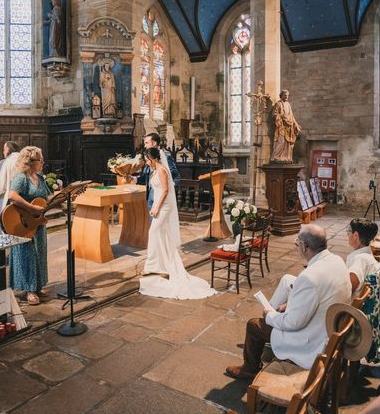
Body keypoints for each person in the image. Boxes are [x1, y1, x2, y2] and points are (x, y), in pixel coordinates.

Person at [225, 225, 351, 379]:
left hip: (312, 339)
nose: (297, 248)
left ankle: (249, 370)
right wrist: (291, 304)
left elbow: (293, 323)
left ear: (305, 247)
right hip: (329, 325)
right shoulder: (336, 260)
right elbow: (316, 299)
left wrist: (269, 315)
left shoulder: (309, 277)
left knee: (254, 325)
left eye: (298, 244)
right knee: (284, 293)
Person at [139, 147, 216, 300]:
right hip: (159, 205)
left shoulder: (161, 170)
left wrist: (157, 207)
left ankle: (153, 266)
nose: (146, 162)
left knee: (153, 232)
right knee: (162, 235)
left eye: (147, 160)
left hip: (164, 206)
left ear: (153, 159)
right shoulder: (155, 170)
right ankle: (162, 264)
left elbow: (166, 191)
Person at [7, 146, 50, 305]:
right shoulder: (21, 177)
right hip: (24, 223)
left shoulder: (39, 177)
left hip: (37, 222)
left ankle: (37, 286)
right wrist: (31, 208)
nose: (43, 163)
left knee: (39, 253)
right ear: (30, 162)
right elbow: (13, 196)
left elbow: (46, 197)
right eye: (40, 160)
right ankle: (28, 290)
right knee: (27, 255)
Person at [345, 218, 380, 363]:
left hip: (358, 316)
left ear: (356, 235)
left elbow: (348, 288)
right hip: (375, 318)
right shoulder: (369, 256)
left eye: (348, 232)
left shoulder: (359, 259)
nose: (348, 235)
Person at [137, 132, 180, 212]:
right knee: (151, 221)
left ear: (154, 143)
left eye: (147, 143)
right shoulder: (148, 156)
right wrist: (134, 179)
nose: (145, 145)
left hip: (162, 195)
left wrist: (167, 190)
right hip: (150, 193)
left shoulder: (166, 157)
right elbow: (146, 176)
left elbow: (176, 177)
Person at [0, 141, 20, 231]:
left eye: (4, 149)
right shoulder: (23, 161)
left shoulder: (5, 162)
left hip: (6, 198)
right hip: (22, 198)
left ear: (8, 150)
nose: (3, 152)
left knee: (6, 224)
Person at [270, 90, 301, 162]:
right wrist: (281, 117)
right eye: (285, 95)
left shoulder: (288, 104)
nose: (286, 96)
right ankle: (276, 157)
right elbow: (274, 114)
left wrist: (296, 125)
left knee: (288, 143)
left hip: (289, 127)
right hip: (282, 126)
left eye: (287, 95)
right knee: (281, 141)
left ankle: (286, 157)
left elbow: (292, 116)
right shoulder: (278, 104)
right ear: (281, 95)